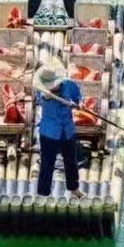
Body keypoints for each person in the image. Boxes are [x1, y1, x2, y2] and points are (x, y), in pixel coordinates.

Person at [34, 61, 82, 200]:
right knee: (47, 163)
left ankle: (74, 188)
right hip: (49, 132)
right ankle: (43, 194)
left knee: (71, 161)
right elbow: (40, 98)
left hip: (67, 129)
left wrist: (78, 104)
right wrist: (47, 95)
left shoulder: (68, 84)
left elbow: (78, 97)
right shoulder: (42, 92)